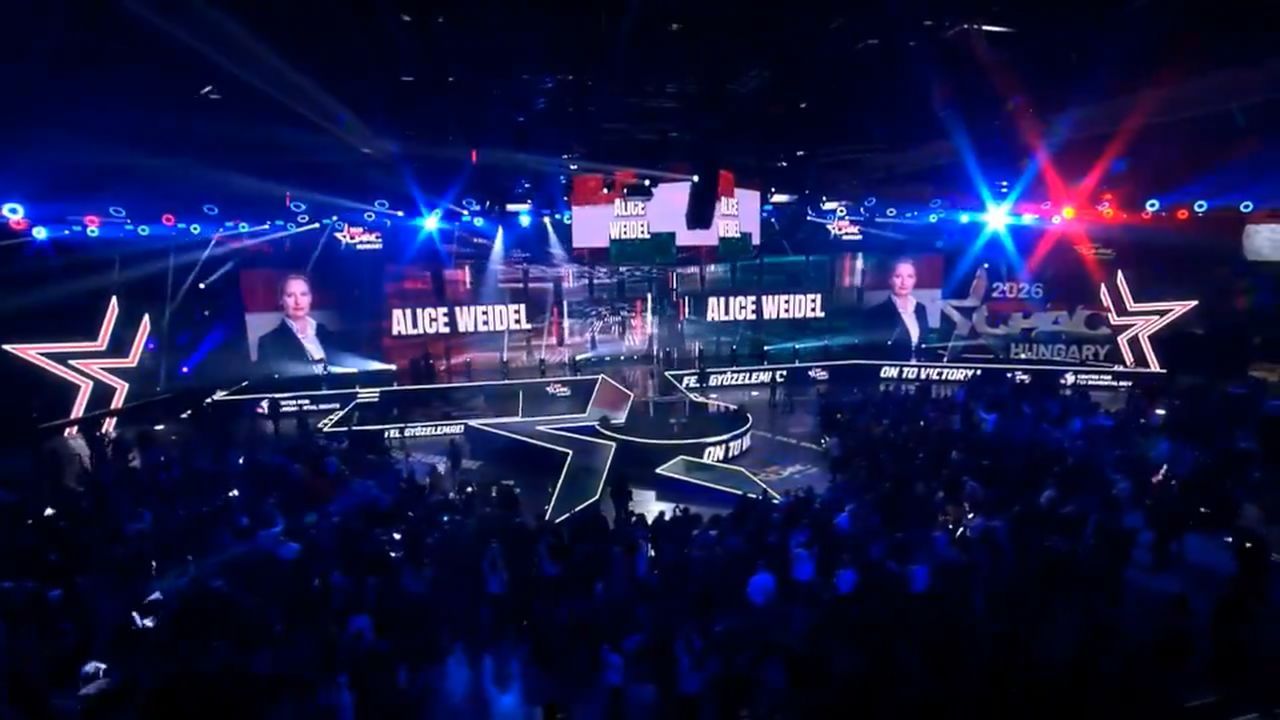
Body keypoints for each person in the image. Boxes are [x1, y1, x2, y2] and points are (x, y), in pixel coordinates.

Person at [256, 274, 344, 375]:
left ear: (310, 298)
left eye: (303, 294)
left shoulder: (326, 334)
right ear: (281, 300)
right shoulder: (269, 343)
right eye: (290, 295)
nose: (298, 301)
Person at [868, 258, 930, 361]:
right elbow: (875, 352)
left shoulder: (920, 309)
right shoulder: (877, 313)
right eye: (898, 276)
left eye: (909, 276)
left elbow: (924, 344)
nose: (904, 282)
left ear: (915, 280)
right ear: (890, 280)